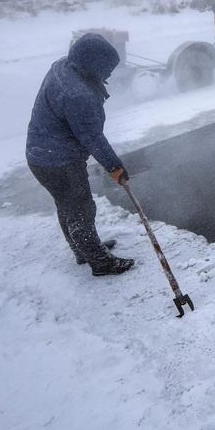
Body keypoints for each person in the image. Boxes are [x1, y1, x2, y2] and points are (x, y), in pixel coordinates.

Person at [26, 33, 135, 276]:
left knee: (66, 205)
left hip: (40, 153)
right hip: (58, 161)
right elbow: (92, 137)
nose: (109, 75)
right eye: (106, 69)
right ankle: (100, 262)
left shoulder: (64, 66)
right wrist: (115, 168)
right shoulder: (78, 95)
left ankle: (84, 250)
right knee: (81, 208)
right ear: (93, 64)